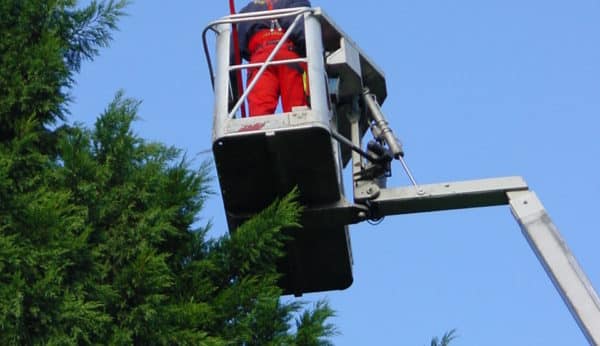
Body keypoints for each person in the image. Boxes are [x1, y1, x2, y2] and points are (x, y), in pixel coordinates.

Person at [237, 0, 311, 116]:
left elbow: (233, 53)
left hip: (259, 61)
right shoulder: (295, 2)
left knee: (259, 116)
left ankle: (258, 131)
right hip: (290, 58)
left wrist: (232, 99)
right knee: (298, 113)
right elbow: (304, 34)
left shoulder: (246, 12)